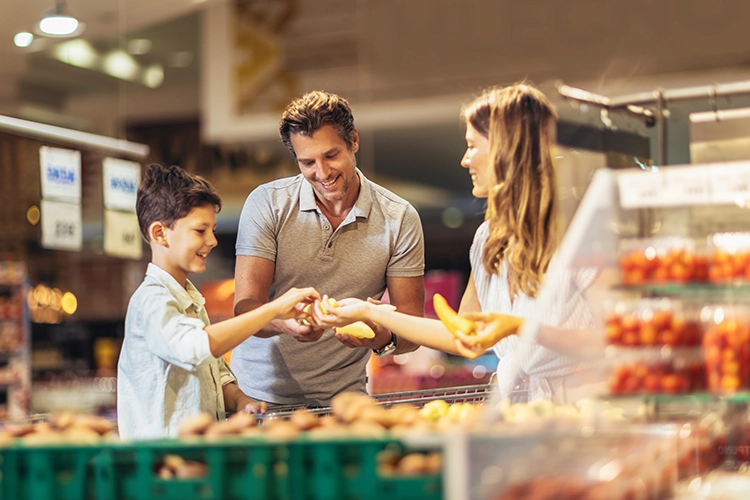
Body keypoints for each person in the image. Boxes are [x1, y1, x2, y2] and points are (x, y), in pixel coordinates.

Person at [320, 83, 600, 403]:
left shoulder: (579, 232)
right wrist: (377, 315)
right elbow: (463, 334)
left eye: (472, 145)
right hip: (519, 413)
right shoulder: (487, 240)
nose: (465, 160)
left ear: (505, 149)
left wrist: (520, 326)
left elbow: (613, 341)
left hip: (582, 412)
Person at [232, 90, 425, 407]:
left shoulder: (399, 218)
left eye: (331, 156)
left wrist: (383, 338)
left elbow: (411, 326)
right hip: (256, 399)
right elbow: (245, 309)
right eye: (307, 162)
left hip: (345, 404)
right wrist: (284, 323)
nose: (322, 173)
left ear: (354, 141)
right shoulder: (267, 204)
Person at [117, 163, 319, 441]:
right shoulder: (152, 300)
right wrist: (274, 308)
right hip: (162, 467)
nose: (212, 240)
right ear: (160, 233)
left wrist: (239, 400)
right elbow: (197, 348)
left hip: (198, 458)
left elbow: (216, 374)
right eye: (200, 231)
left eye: (212, 230)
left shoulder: (188, 297)